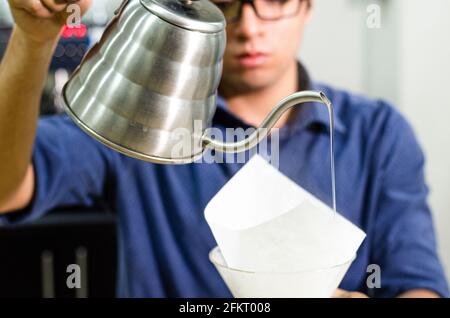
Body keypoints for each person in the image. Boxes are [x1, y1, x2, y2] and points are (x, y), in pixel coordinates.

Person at [0, 0, 448, 298]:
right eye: (228, 3)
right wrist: (34, 39)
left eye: (273, 0)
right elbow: (7, 187)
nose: (249, 26)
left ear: (307, 7)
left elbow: (417, 282)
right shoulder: (145, 121)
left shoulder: (377, 133)